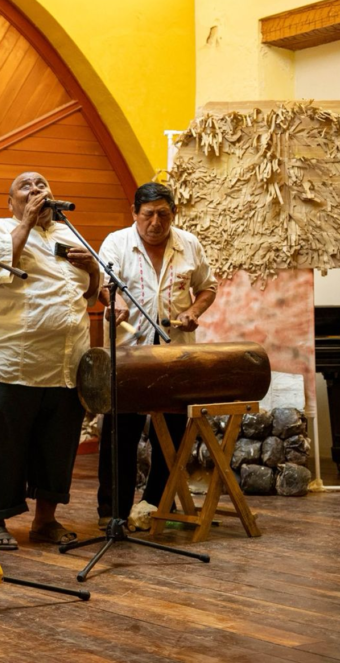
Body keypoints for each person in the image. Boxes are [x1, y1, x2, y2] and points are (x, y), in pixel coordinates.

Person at [0, 171, 100, 549]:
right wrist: (25, 222)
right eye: (25, 187)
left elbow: (92, 295)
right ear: (10, 203)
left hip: (64, 363)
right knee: (1, 448)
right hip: (13, 361)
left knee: (56, 446)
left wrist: (92, 269)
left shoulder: (69, 234)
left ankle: (46, 520)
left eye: (42, 184)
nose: (37, 190)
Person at [96, 182, 218, 529]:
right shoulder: (116, 243)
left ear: (173, 214)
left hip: (174, 353)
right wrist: (114, 301)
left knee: (175, 431)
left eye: (163, 214)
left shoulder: (188, 244)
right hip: (129, 355)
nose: (155, 222)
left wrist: (194, 311)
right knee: (121, 432)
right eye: (147, 214)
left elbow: (208, 287)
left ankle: (155, 503)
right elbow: (104, 285)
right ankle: (112, 511)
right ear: (134, 214)